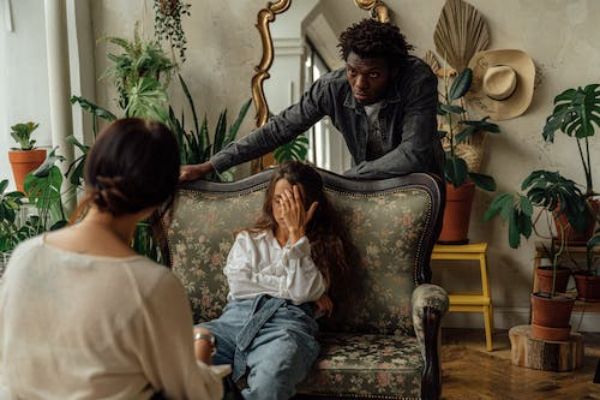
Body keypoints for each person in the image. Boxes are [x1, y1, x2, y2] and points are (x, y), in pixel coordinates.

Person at [0, 119, 225, 399]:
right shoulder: (152, 286)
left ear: (91, 172)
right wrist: (202, 343)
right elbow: (192, 393)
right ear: (161, 197)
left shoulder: (25, 256)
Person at [180, 18, 443, 182]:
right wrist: (210, 165)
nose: (359, 84)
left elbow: (414, 153)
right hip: (365, 185)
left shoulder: (416, 78)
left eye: (373, 74)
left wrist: (344, 177)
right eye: (353, 72)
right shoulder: (331, 88)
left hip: (418, 184)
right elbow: (277, 129)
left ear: (393, 71)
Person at [194, 161, 352, 400]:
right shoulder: (249, 240)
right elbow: (240, 284)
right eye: (278, 200)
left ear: (311, 205)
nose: (284, 209)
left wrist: (297, 237)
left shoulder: (324, 247)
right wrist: (292, 288)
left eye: (293, 201)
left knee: (272, 379)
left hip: (286, 325)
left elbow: (301, 293)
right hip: (235, 320)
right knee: (182, 352)